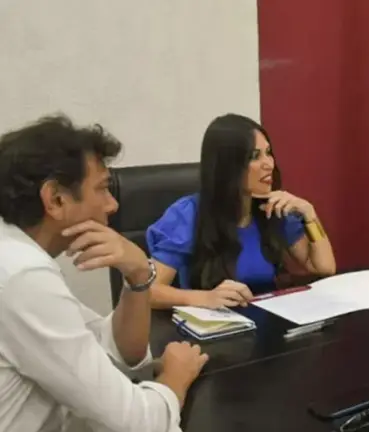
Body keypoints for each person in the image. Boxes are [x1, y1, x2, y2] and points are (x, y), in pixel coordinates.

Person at [0, 115, 209, 431]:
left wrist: (139, 275)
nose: (112, 205)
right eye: (102, 188)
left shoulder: (15, 256)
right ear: (55, 199)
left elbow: (116, 352)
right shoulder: (22, 276)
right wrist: (175, 379)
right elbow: (134, 423)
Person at [146, 114, 336, 309]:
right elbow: (147, 292)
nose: (269, 164)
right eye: (254, 156)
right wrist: (205, 298)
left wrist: (310, 215)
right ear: (228, 166)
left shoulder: (273, 208)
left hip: (267, 318)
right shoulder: (188, 214)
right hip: (217, 323)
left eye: (268, 153)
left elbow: (324, 267)